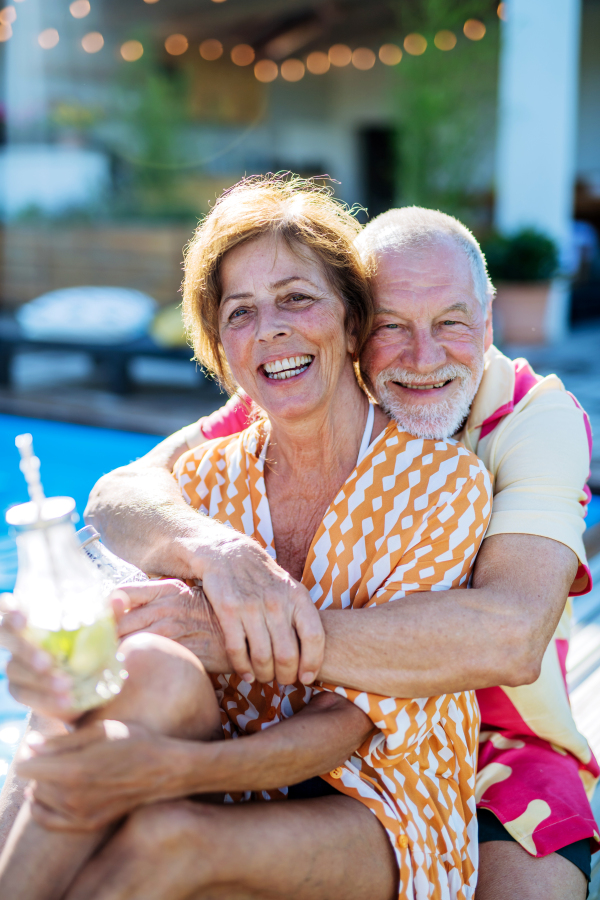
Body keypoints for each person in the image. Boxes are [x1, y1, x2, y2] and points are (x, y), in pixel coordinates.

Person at [72, 203, 598, 900]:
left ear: (489, 318)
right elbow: (121, 492)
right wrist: (215, 548)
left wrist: (238, 637)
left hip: (503, 739)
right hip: (320, 724)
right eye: (391, 326)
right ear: (355, 327)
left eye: (451, 322)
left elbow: (510, 637)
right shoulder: (302, 386)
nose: (423, 357)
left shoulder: (538, 418)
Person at [0, 178, 493, 900]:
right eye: (241, 312)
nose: (270, 329)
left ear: (352, 323)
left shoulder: (441, 483)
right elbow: (140, 638)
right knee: (144, 672)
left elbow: (346, 725)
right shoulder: (202, 484)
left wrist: (171, 772)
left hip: (381, 800)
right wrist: (59, 683)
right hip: (229, 766)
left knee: (163, 836)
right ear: (223, 349)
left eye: (297, 298)